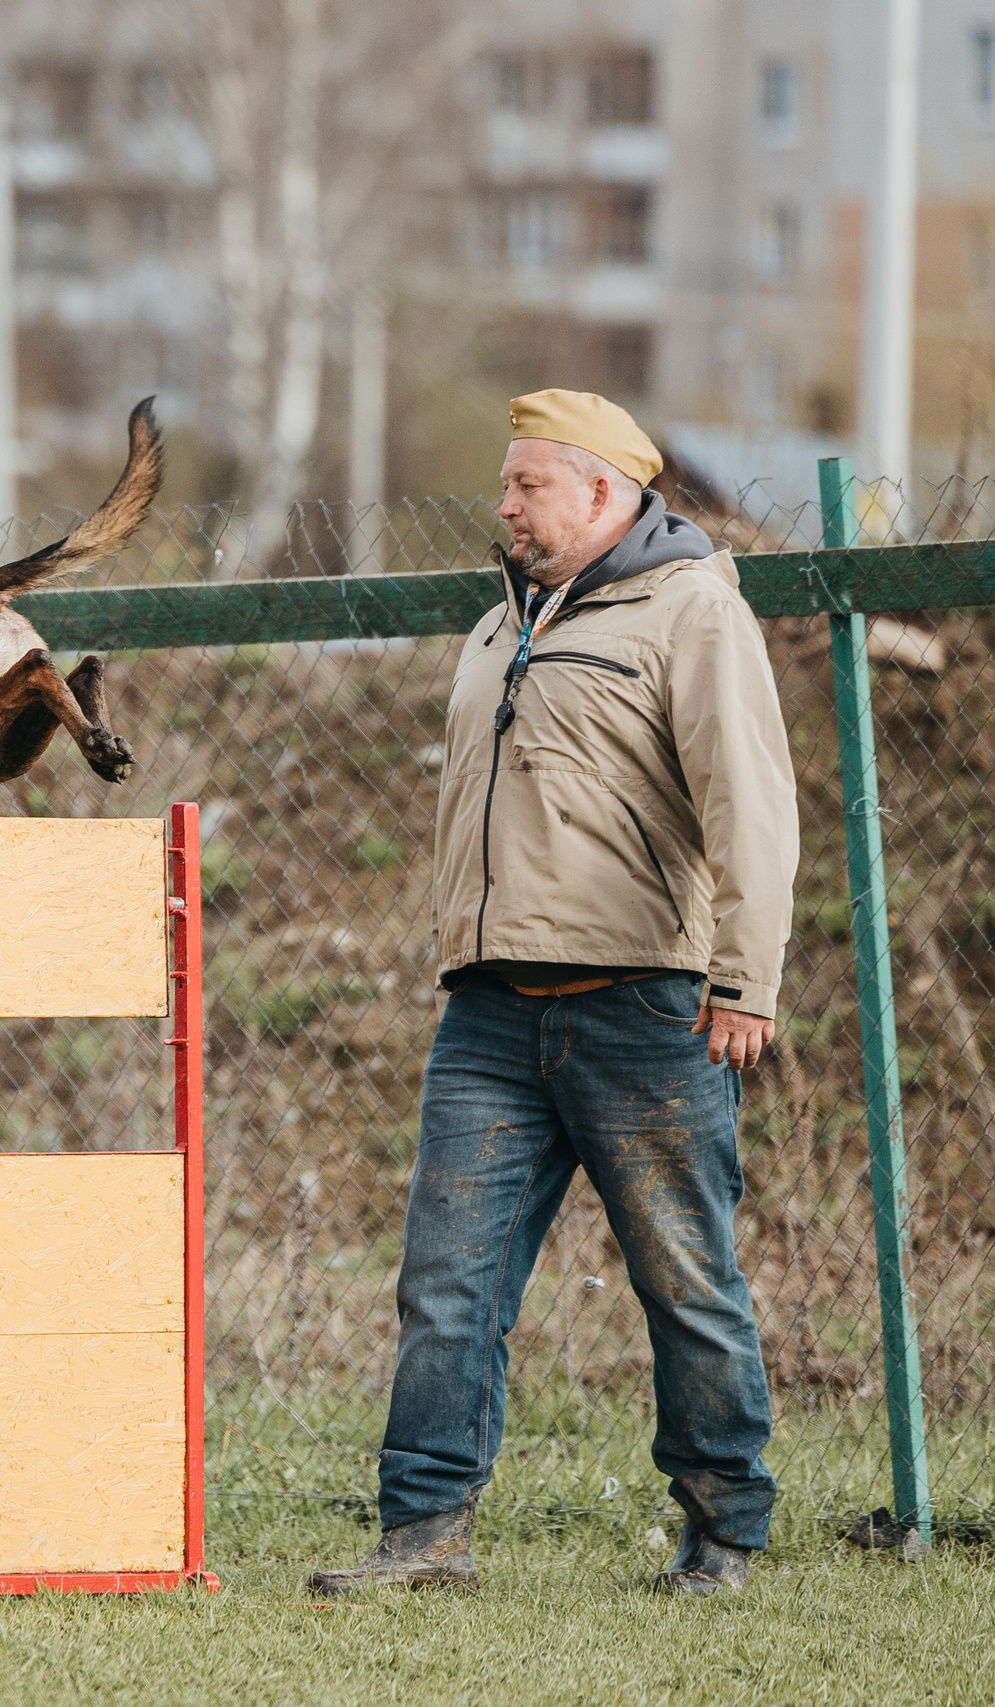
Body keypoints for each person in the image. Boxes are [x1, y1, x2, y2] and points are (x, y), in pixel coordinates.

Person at [309, 390, 799, 1598]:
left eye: (528, 484)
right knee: (446, 1283)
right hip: (487, 1014)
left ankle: (723, 1530)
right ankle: (423, 1537)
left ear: (603, 494)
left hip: (648, 1010)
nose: (505, 504)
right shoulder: (498, 625)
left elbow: (752, 803)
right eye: (504, 483)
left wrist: (745, 980)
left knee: (684, 1280)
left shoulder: (692, 609)